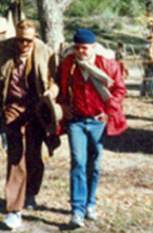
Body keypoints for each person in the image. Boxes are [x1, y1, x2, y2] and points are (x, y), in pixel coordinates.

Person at [0, 19, 59, 230]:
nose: (23, 45)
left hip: (36, 111)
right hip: (11, 109)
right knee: (16, 158)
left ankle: (31, 193)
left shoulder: (45, 52)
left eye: (28, 40)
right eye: (20, 39)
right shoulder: (3, 49)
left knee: (34, 156)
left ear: (34, 38)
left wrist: (51, 93)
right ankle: (14, 210)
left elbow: (55, 80)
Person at [57, 28, 127, 228]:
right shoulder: (69, 65)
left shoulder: (107, 65)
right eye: (77, 48)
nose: (81, 52)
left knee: (94, 164)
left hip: (98, 121)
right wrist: (63, 108)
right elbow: (61, 88)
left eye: (84, 48)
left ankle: (90, 203)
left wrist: (108, 111)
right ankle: (77, 210)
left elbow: (119, 89)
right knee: (78, 162)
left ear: (93, 47)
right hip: (77, 121)